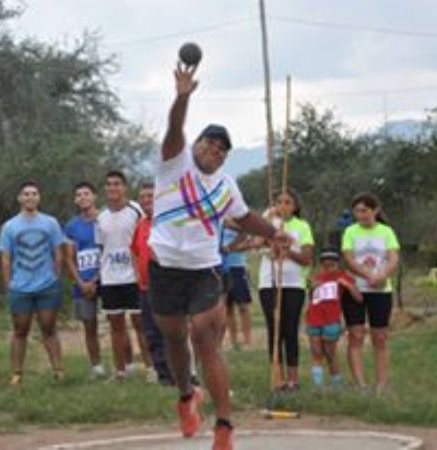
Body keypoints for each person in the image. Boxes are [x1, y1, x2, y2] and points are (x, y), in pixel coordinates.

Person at [148, 61, 291, 450]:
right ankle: (186, 395)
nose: (215, 148)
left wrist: (275, 233)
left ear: (226, 159)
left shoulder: (227, 186)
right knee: (174, 338)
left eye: (222, 148)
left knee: (205, 338)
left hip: (204, 271)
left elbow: (243, 218)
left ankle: (224, 426)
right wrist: (182, 98)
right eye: (209, 142)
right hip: (163, 269)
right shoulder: (173, 164)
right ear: (195, 145)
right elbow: (175, 129)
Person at [0, 181, 66, 385]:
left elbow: (58, 252)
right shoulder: (9, 226)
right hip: (20, 286)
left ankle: (58, 370)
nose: (30, 197)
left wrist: (55, 277)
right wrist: (8, 283)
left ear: (39, 197)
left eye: (34, 193)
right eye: (26, 194)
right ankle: (17, 373)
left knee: (49, 328)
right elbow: (5, 257)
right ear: (20, 198)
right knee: (20, 330)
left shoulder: (50, 223)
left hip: (46, 285)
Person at [96, 170, 155, 382]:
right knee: (116, 326)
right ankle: (120, 372)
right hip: (110, 278)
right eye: (109, 184)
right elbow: (101, 247)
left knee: (141, 324)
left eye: (117, 184)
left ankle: (151, 369)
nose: (113, 188)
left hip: (133, 277)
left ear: (124, 187)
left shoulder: (136, 210)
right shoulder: (101, 216)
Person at [341, 192, 400, 396]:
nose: (360, 214)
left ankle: (382, 384)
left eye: (364, 210)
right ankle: (360, 385)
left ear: (375, 210)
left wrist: (382, 275)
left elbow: (393, 258)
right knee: (356, 335)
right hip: (355, 289)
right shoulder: (350, 232)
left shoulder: (386, 232)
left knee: (380, 337)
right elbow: (348, 258)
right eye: (356, 211)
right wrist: (366, 274)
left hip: (380, 290)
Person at [256, 189, 314, 391]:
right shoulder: (268, 224)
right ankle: (276, 378)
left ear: (295, 206)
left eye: (288, 202)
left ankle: (293, 379)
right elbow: (256, 243)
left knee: (290, 330)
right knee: (274, 329)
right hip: (269, 282)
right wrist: (267, 225)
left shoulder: (302, 226)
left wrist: (287, 250)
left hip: (294, 283)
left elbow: (307, 259)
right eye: (279, 202)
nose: (283, 206)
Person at [130, 181, 174, 385]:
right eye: (143, 198)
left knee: (171, 332)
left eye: (150, 196)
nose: (146, 201)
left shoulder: (168, 223)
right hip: (145, 288)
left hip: (166, 287)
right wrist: (136, 272)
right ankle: (163, 375)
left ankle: (180, 373)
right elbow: (134, 250)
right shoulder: (140, 225)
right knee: (151, 333)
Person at [64, 182, 106, 379]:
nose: (83, 197)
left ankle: (126, 366)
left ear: (94, 196)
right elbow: (69, 258)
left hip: (106, 279)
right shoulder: (71, 226)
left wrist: (97, 279)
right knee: (89, 325)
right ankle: (96, 367)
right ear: (75, 200)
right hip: (82, 282)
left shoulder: (105, 220)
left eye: (86, 194)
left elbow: (109, 251)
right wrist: (81, 282)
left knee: (117, 323)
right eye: (78, 195)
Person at [305, 247, 361, 387]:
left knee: (330, 353)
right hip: (313, 318)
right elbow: (312, 298)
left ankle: (336, 383)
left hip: (331, 319)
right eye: (325, 263)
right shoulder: (317, 277)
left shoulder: (343, 277)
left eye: (332, 263)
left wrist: (348, 285)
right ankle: (317, 386)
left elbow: (359, 298)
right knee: (316, 352)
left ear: (337, 263)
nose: (328, 267)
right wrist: (312, 288)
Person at [220, 218, 252, 351]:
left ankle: (247, 342)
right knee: (227, 308)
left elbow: (249, 243)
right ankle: (233, 342)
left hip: (238, 266)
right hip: (221, 267)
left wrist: (231, 248)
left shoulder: (238, 220)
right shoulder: (219, 220)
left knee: (243, 306)